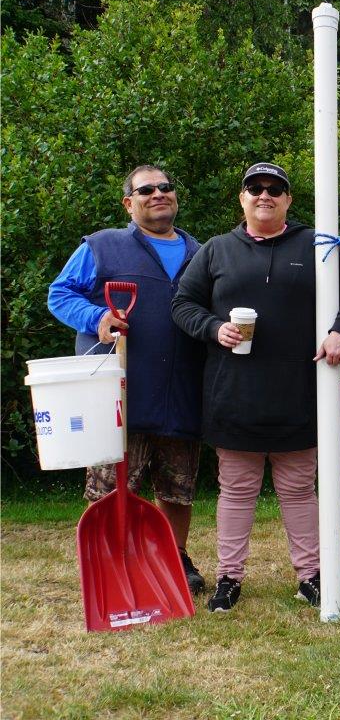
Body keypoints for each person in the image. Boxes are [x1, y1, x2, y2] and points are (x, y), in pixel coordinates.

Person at [171, 162, 340, 613]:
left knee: (299, 490)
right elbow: (182, 303)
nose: (265, 195)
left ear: (288, 200)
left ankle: (311, 577)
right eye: (255, 188)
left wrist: (339, 331)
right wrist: (214, 328)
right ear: (242, 199)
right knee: (236, 490)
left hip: (299, 391)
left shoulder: (317, 244)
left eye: (275, 189)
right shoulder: (217, 250)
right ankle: (228, 579)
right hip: (233, 393)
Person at [47, 164, 207, 595]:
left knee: (178, 488)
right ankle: (109, 561)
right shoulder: (103, 246)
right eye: (147, 189)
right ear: (129, 202)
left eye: (166, 187)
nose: (159, 194)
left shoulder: (202, 253)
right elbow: (59, 294)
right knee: (111, 485)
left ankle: (174, 557)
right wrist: (97, 316)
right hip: (119, 392)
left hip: (182, 392)